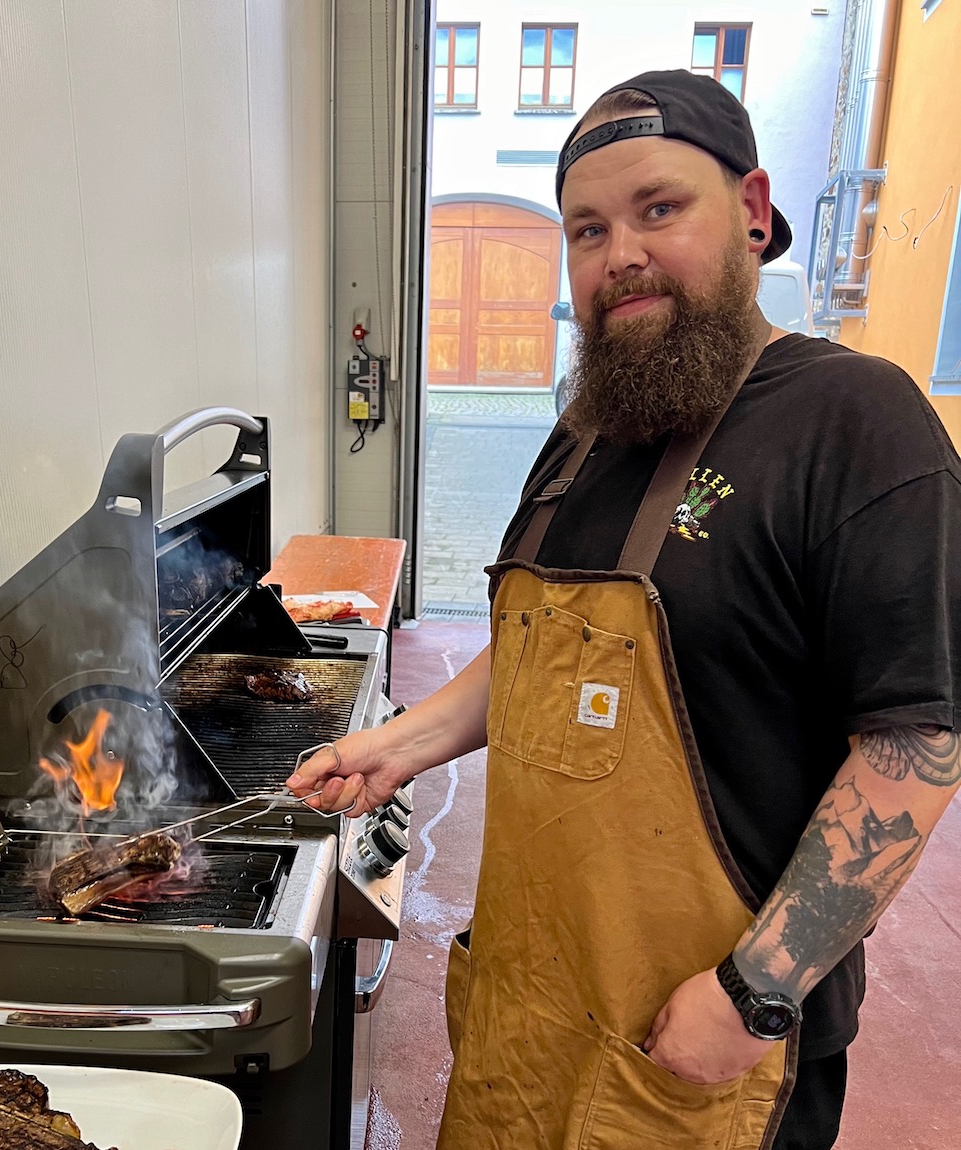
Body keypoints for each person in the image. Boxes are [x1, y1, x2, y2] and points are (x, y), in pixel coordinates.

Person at [288, 69, 961, 1149]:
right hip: (526, 1017)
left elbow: (913, 741)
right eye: (587, 228)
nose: (620, 253)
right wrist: (398, 745)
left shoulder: (856, 421)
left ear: (750, 211)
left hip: (694, 1049)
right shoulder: (584, 435)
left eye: (659, 209)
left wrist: (755, 990)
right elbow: (537, 653)